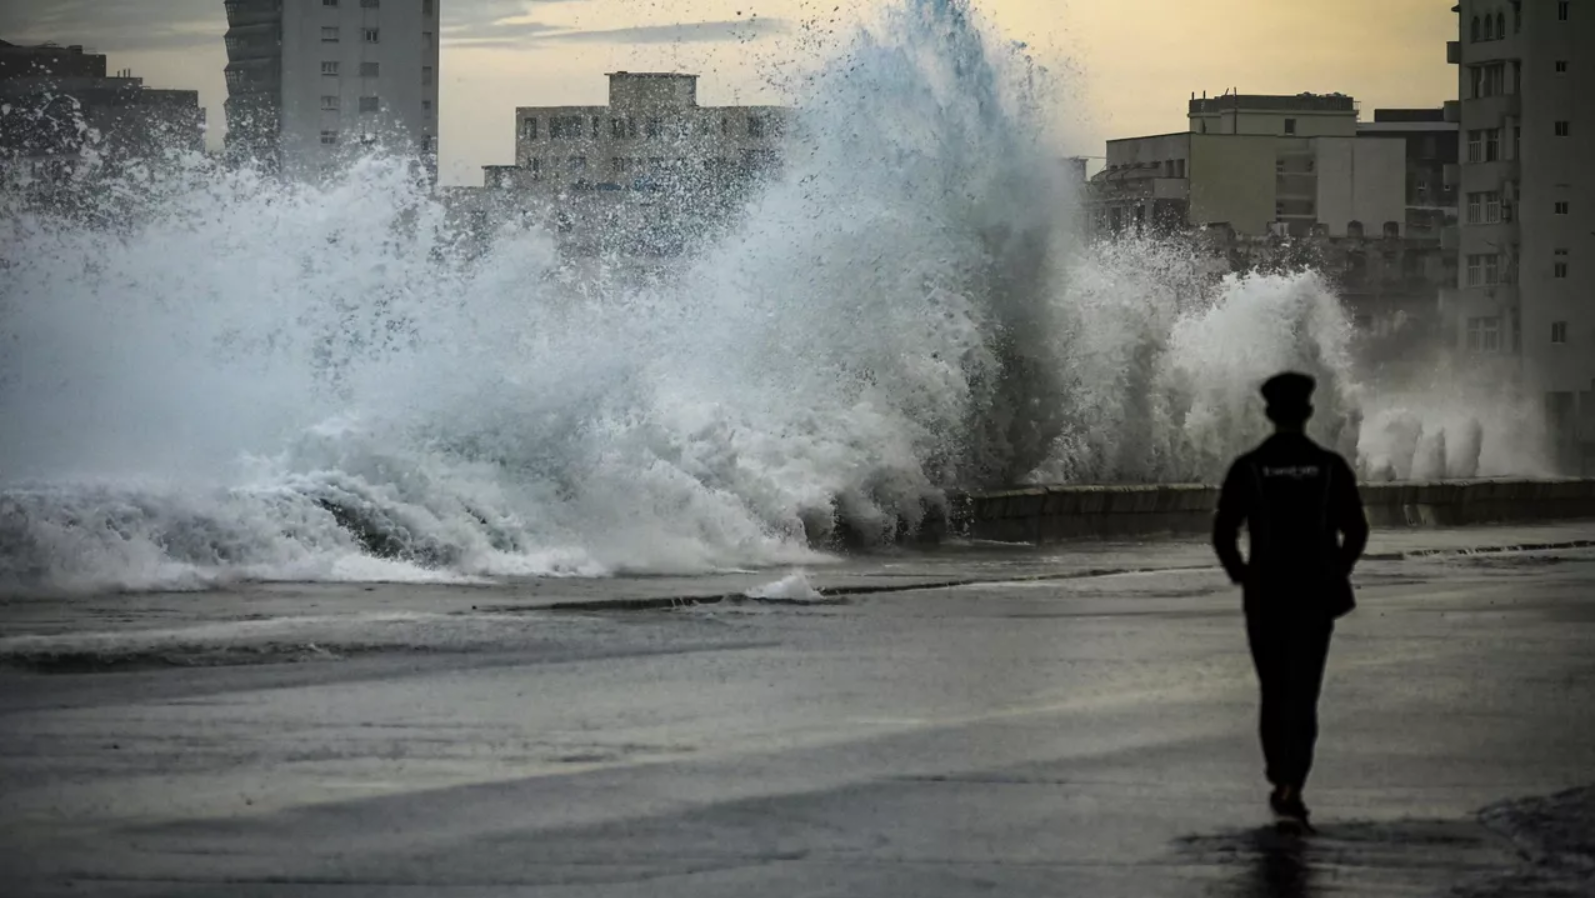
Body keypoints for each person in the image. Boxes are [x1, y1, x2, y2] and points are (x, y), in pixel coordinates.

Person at [1212, 371, 1369, 830]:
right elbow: (1356, 529)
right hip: (1314, 597)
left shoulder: (1249, 467)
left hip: (1265, 596)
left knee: (1274, 688)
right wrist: (1337, 570)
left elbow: (1223, 533)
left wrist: (1242, 575)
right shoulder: (1329, 467)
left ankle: (1278, 772)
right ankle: (1293, 782)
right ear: (1307, 413)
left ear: (1268, 413)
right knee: (1304, 691)